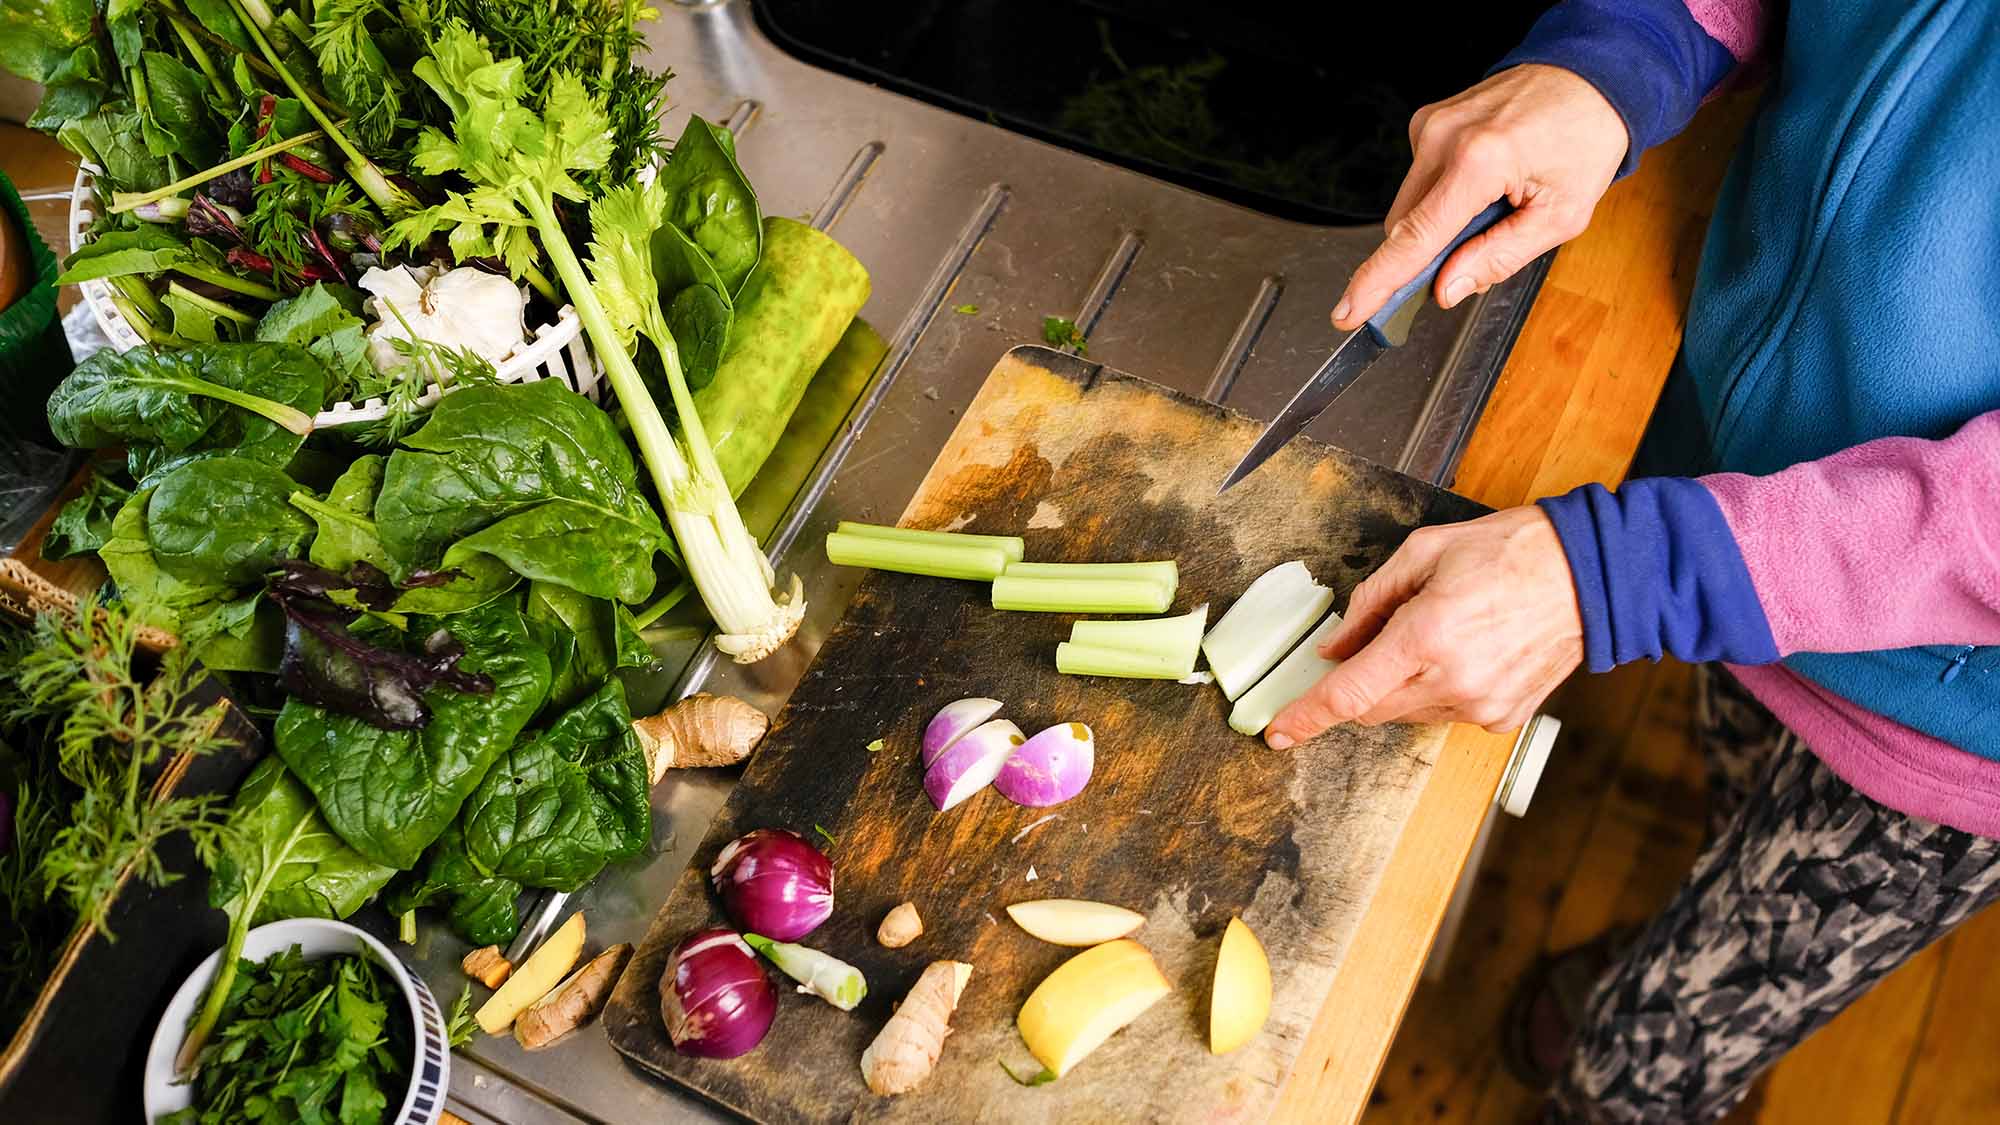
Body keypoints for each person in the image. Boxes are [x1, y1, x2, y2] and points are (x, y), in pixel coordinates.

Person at [1263, 2, 2000, 1121]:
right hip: (1733, 515)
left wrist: (1637, 573)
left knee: (1636, 1078)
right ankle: (1703, 914)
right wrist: (1626, 54)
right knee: (1734, 777)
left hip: (1945, 725)